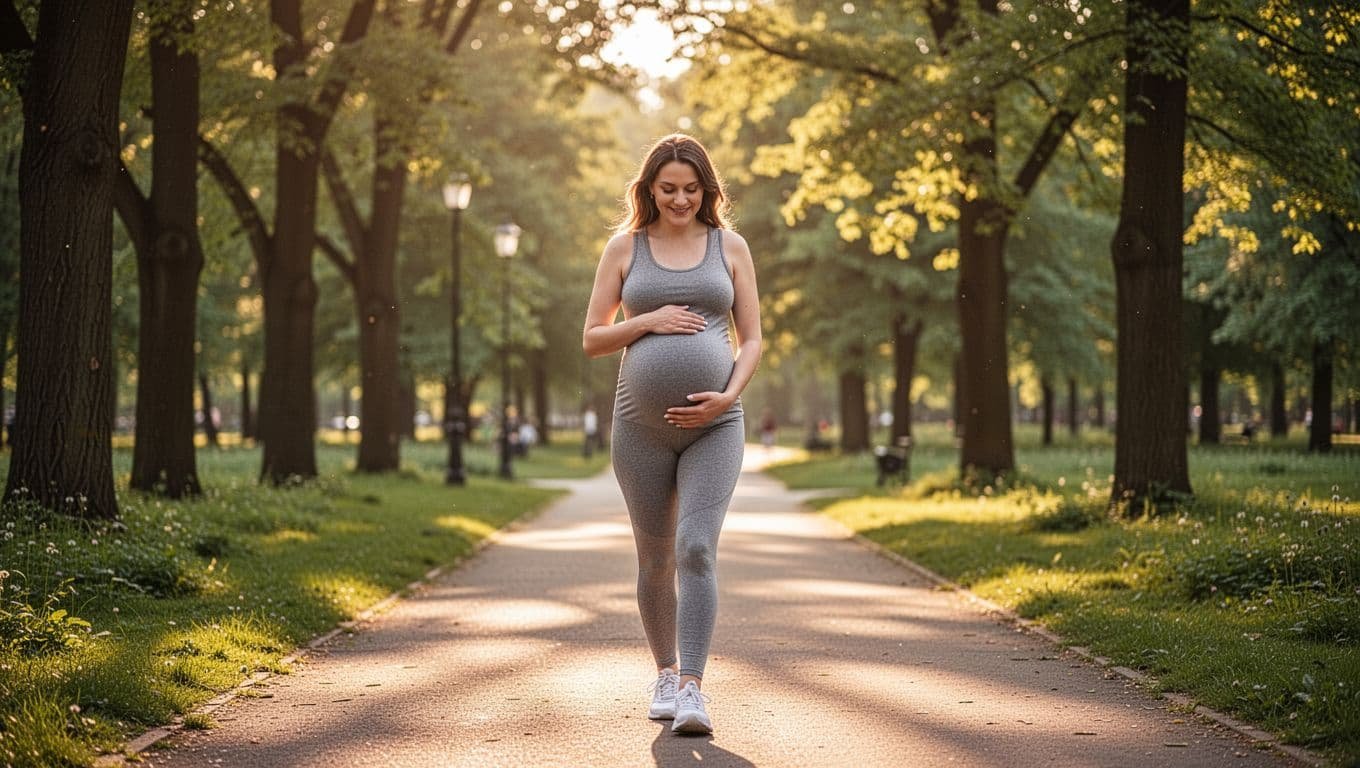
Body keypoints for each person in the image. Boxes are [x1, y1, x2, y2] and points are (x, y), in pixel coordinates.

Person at [582, 134, 762, 735]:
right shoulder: (625, 248)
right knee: (655, 558)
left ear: (706, 190)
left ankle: (692, 689)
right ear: (649, 190)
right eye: (668, 189)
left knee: (696, 549)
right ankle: (664, 672)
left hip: (716, 427)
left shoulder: (729, 247)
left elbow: (753, 337)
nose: (680, 199)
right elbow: (591, 338)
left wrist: (729, 395)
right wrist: (650, 321)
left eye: (691, 189)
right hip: (640, 429)